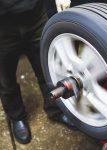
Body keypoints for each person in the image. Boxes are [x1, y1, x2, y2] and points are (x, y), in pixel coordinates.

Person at [0, 0, 74, 144]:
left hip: (35, 14)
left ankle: (55, 110)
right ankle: (17, 116)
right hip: (2, 25)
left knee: (47, 68)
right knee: (5, 78)